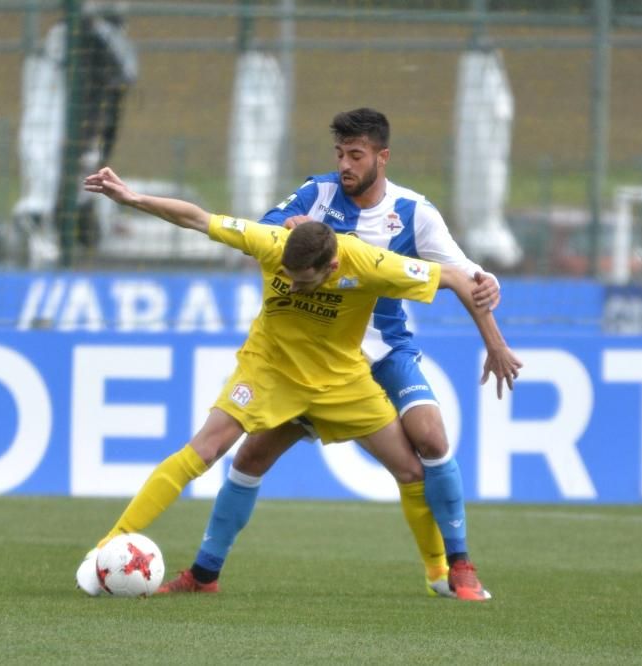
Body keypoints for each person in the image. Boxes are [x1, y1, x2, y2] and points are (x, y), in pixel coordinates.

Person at [77, 166, 521, 599]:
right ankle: (112, 551)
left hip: (341, 380)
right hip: (269, 370)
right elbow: (197, 218)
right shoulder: (272, 243)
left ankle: (438, 572)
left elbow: (459, 278)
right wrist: (133, 199)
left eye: (302, 279)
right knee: (209, 450)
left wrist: (496, 345)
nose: (291, 284)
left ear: (331, 266)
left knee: (409, 469)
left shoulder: (370, 263)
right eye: (286, 274)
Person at [166, 108, 501, 600]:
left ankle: (459, 566)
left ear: (382, 158)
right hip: (318, 357)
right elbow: (268, 230)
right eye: (340, 153)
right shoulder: (317, 192)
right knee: (252, 456)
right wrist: (291, 222)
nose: (345, 164)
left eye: (356, 155)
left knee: (429, 439)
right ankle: (204, 572)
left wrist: (493, 313)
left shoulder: (415, 213)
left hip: (385, 351)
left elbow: (467, 277)